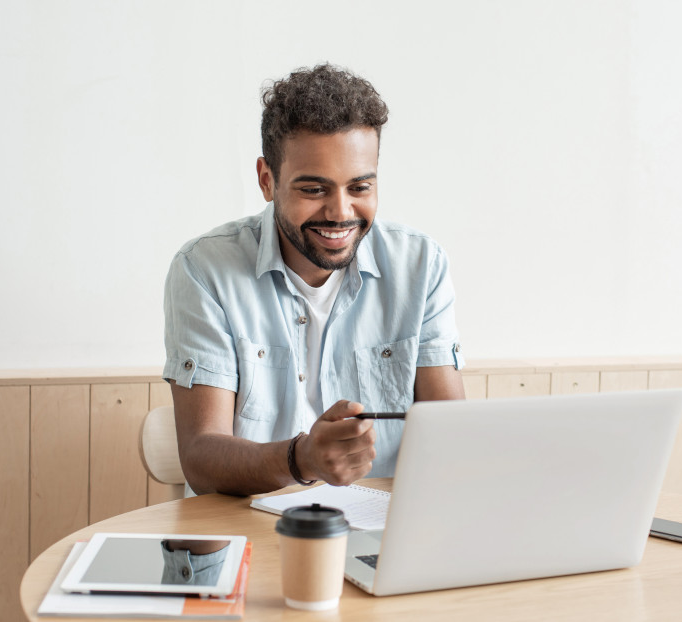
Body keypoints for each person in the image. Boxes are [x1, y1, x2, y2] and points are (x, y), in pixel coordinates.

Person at [162, 64, 465, 496]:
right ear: (268, 181)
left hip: (385, 537)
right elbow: (201, 459)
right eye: (313, 189)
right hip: (250, 534)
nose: (340, 212)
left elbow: (451, 438)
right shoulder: (204, 269)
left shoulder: (421, 265)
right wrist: (303, 458)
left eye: (359, 187)